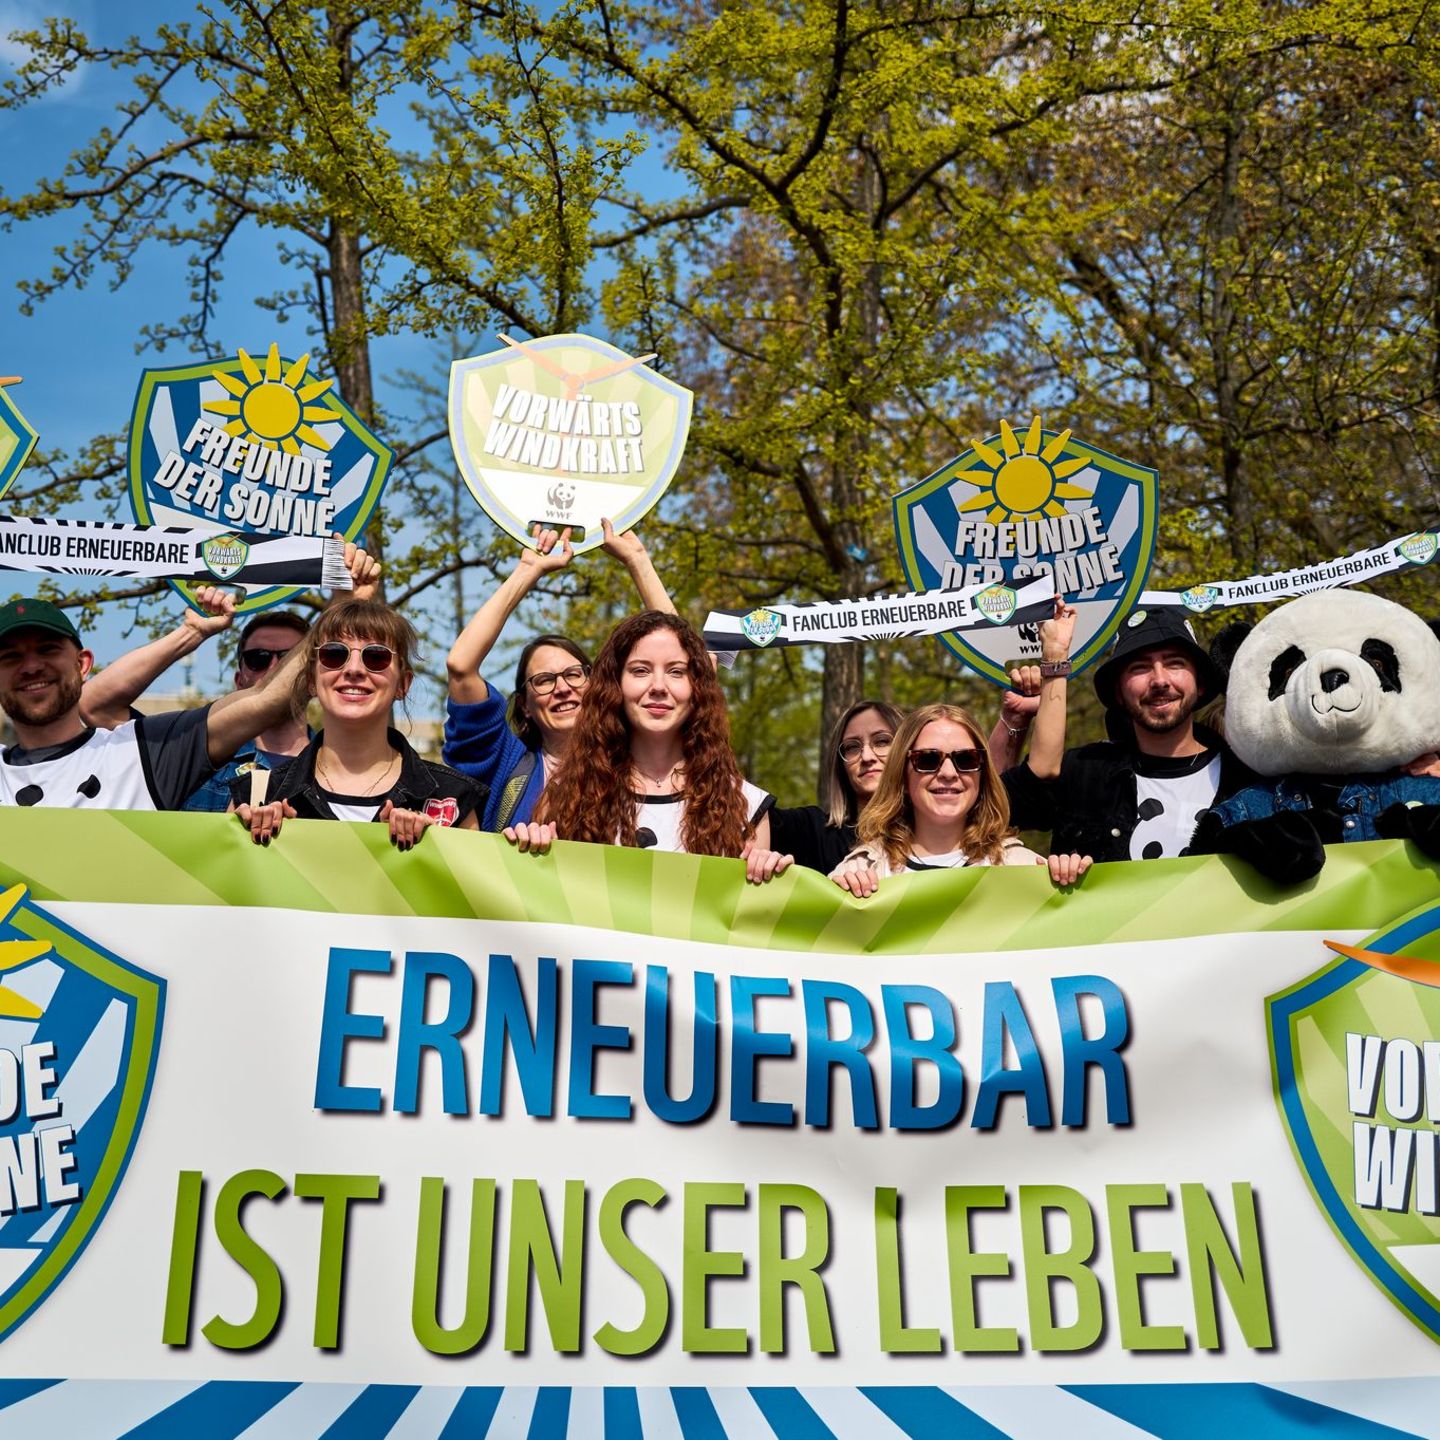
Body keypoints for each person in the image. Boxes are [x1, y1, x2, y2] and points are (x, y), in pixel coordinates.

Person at [74, 540, 382, 809]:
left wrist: (345, 604)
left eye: (289, 658)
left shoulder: (351, 767)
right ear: (239, 680)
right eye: (258, 658)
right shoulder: (196, 757)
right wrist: (191, 633)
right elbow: (95, 706)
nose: (274, 667)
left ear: (314, 679)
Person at [511, 610, 790, 881]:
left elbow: (747, 923)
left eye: (676, 672)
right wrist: (528, 855)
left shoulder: (745, 806)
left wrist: (766, 875)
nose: (658, 686)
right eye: (641, 670)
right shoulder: (567, 796)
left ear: (698, 688)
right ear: (614, 684)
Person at [444, 519, 677, 830]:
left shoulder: (639, 755)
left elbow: (682, 667)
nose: (563, 688)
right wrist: (527, 571)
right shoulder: (505, 764)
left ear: (594, 684)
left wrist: (637, 559)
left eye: (574, 674)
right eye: (543, 680)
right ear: (525, 705)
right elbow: (461, 667)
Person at [0, 591, 317, 811]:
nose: (30, 667)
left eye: (48, 650)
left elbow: (268, 698)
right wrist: (191, 632)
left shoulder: (137, 754)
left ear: (82, 664)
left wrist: (344, 607)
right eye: (10, 656)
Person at [1003, 601, 1257, 862]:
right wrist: (1016, 718)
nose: (1159, 680)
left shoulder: (1248, 781)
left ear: (1200, 683)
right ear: (1119, 693)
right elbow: (985, 814)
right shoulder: (1085, 773)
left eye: (1175, 664)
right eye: (1140, 668)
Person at [232, 599, 483, 846]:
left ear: (403, 684)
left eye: (376, 657)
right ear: (311, 680)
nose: (354, 669)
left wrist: (435, 848)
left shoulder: (451, 798)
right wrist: (250, 843)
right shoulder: (258, 795)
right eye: (334, 654)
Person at [828, 702, 1050, 897]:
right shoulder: (857, 872)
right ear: (901, 776)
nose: (948, 773)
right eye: (927, 759)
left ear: (983, 775)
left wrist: (1070, 884)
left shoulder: (1026, 869)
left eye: (966, 759)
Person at [767, 699, 904, 872]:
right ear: (840, 765)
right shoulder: (813, 832)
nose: (867, 756)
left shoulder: (932, 831)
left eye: (882, 741)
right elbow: (741, 807)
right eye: (852, 747)